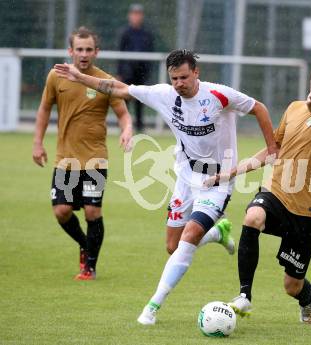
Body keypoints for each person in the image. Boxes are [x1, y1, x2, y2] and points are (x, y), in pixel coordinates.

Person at [53, 49, 278, 325]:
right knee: (173, 245)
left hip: (216, 183)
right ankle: (218, 233)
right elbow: (118, 89)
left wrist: (272, 148)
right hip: (185, 179)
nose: (179, 83)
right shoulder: (165, 95)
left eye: (184, 77)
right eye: (174, 79)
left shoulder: (219, 95)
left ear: (196, 72)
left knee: (189, 236)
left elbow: (259, 108)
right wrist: (80, 77)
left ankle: (152, 307)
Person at [207, 56, 311, 324]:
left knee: (291, 285)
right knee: (253, 217)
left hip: (306, 209)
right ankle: (244, 296)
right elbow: (273, 150)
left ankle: (307, 297)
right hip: (276, 192)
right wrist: (229, 173)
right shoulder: (294, 108)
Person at [32, 27, 133, 281]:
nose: (84, 54)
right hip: (65, 160)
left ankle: (89, 266)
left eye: (89, 49)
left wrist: (127, 130)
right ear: (71, 51)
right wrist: (37, 143)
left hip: (95, 160)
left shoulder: (103, 81)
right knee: (61, 211)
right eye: (79, 49)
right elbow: (44, 109)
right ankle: (85, 244)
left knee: (92, 212)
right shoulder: (56, 77)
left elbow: (123, 113)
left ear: (96, 52)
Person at [117, 3, 154, 132]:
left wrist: (148, 73)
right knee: (125, 99)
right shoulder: (125, 33)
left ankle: (139, 127)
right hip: (127, 72)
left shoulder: (147, 34)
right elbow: (120, 53)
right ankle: (124, 126)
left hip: (141, 72)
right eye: (134, 14)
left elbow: (150, 53)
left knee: (140, 100)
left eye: (138, 14)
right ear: (130, 16)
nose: (136, 17)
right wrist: (120, 72)